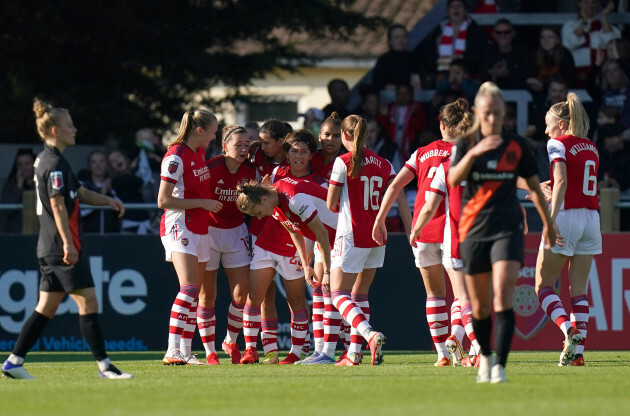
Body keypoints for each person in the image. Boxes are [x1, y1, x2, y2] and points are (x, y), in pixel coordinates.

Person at [1, 98, 131, 379]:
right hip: (62, 247)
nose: (75, 129)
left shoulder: (52, 160)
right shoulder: (55, 163)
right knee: (89, 303)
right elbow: (58, 205)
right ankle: (105, 367)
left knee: (46, 307)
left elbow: (80, 193)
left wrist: (108, 200)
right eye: (70, 125)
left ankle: (13, 362)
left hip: (49, 247)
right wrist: (69, 244)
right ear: (55, 131)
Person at [447, 82, 557, 383]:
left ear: (504, 112)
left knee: (504, 295)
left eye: (497, 113)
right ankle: (485, 356)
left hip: (507, 228)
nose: (492, 119)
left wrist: (548, 223)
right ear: (477, 113)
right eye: (487, 114)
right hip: (473, 231)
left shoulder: (517, 145)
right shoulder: (465, 144)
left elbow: (534, 185)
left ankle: (501, 367)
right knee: (480, 306)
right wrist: (473, 155)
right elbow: (453, 179)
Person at [374, 99, 480, 367]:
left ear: (442, 125)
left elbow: (395, 186)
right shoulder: (467, 153)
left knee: (434, 295)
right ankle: (474, 345)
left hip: (423, 230)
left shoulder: (422, 152)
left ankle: (443, 354)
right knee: (461, 296)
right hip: (453, 230)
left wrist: (381, 219)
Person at [325, 115, 412, 366]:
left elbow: (331, 205)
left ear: (345, 136)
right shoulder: (385, 164)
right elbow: (400, 197)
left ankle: (369, 334)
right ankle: (354, 353)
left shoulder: (343, 162)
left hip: (351, 234)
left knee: (338, 293)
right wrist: (409, 230)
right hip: (378, 235)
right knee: (360, 294)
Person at [236, 157, 337, 365]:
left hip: (340, 238)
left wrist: (326, 270)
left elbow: (322, 233)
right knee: (327, 297)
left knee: (337, 296)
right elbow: (294, 229)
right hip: (325, 242)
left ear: (262, 200)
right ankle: (260, 350)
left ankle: (348, 349)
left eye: (257, 213)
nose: (260, 217)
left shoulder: (293, 198)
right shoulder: (275, 197)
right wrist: (305, 263)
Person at [535, 92, 602, 367]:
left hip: (567, 217)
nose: (546, 129)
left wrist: (549, 222)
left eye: (549, 123)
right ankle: (578, 353)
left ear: (561, 124)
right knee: (579, 291)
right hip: (592, 218)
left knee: (543, 286)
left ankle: (567, 330)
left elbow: (560, 181)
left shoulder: (556, 143)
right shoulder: (591, 147)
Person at [159, 109, 221, 366]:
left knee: (194, 293)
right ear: (199, 131)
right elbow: (163, 200)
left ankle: (185, 351)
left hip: (199, 226)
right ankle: (172, 349)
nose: (213, 138)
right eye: (212, 133)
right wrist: (202, 203)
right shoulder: (176, 156)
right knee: (189, 289)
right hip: (179, 225)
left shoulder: (199, 152)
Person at [200, 125, 257, 365]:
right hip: (209, 233)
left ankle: (230, 340)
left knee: (241, 294)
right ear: (224, 147)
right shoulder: (210, 168)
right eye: (238, 145)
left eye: (247, 144)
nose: (244, 149)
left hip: (236, 232)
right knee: (207, 295)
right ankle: (209, 351)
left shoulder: (251, 172)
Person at [247, 119, 292, 363]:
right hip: (260, 232)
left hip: (288, 232)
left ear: (281, 142)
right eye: (261, 142)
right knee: (264, 295)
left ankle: (302, 348)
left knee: (296, 296)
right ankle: (269, 351)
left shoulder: (296, 159)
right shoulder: (258, 157)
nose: (262, 146)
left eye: (267, 142)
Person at [414, 0, 488, 86]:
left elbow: (479, 54)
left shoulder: (475, 30)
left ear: (465, 11)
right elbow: (429, 57)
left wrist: (461, 59)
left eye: (459, 6)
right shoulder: (438, 31)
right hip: (442, 73)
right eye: (453, 7)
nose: (456, 9)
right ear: (447, 12)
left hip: (467, 73)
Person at [562, 0, 621, 87]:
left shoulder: (602, 24)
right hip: (577, 74)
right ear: (579, 3)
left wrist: (604, 15)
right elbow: (569, 44)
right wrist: (585, 21)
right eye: (586, 2)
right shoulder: (570, 25)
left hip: (602, 75)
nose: (590, 5)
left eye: (593, 2)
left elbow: (614, 43)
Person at [377, 83, 427, 172]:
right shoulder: (390, 108)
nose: (403, 96)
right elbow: (384, 128)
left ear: (411, 95)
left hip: (410, 146)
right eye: (400, 94)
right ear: (396, 95)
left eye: (406, 94)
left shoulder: (417, 109)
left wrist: (415, 115)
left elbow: (420, 127)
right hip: (392, 144)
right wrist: (384, 116)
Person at [108, 149, 153, 234]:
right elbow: (135, 181)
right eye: (112, 161)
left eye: (118, 157)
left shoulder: (140, 173)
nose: (117, 161)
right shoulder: (115, 182)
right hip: (128, 226)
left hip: (149, 224)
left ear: (125, 158)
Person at [76, 150, 120, 233]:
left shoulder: (113, 185)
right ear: (89, 166)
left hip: (111, 236)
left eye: (101, 161)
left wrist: (110, 190)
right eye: (94, 162)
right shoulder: (83, 187)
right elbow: (81, 213)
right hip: (89, 235)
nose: (98, 165)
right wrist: (102, 196)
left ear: (107, 165)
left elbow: (120, 208)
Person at [526, 27, 576, 97]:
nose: (546, 40)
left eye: (550, 37)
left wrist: (543, 85)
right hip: (538, 96)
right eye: (543, 37)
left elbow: (567, 78)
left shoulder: (565, 55)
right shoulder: (535, 55)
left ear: (558, 40)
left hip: (561, 96)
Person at [480, 18, 530, 89]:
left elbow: (525, 80)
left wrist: (507, 74)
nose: (503, 35)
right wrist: (493, 75)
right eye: (499, 32)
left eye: (506, 32)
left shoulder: (522, 53)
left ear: (513, 33)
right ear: (494, 34)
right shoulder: (488, 52)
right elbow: (482, 78)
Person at [372, 24, 422, 91]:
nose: (400, 40)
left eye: (403, 37)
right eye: (396, 37)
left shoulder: (414, 58)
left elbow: (418, 82)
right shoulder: (384, 60)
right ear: (390, 41)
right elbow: (378, 84)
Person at [0, 148, 36, 233]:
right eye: (20, 165)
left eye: (27, 164)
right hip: (15, 233)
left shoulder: (42, 184)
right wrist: (18, 186)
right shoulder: (10, 185)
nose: (23, 168)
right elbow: (8, 209)